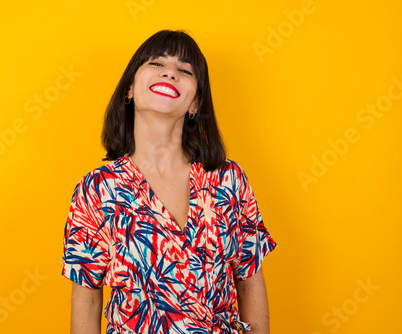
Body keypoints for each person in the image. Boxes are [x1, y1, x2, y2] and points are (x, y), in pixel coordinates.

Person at [61, 30, 277, 334]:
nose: (170, 73)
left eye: (185, 70)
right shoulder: (97, 189)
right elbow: (87, 301)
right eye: (156, 63)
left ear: (195, 104)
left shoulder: (229, 179)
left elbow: (249, 281)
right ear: (129, 90)